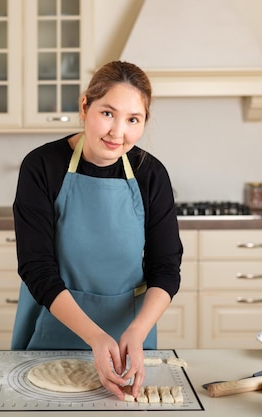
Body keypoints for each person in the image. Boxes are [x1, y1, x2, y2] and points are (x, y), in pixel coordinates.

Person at [11, 60, 182, 400]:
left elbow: (165, 268)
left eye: (133, 119)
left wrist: (136, 332)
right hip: (52, 326)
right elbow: (37, 267)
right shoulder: (42, 166)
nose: (118, 132)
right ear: (85, 106)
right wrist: (96, 337)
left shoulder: (151, 175)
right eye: (107, 113)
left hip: (128, 341)